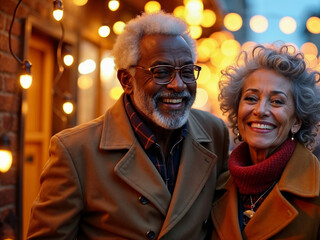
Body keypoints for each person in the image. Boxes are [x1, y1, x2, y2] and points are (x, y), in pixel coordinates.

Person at [27, 12, 229, 239]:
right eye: (161, 72)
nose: (178, 85)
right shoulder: (75, 150)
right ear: (126, 80)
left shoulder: (215, 133)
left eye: (187, 71)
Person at [210, 43, 320, 239]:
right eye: (251, 98)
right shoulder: (217, 184)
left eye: (277, 101)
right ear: (237, 110)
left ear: (297, 122)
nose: (260, 110)